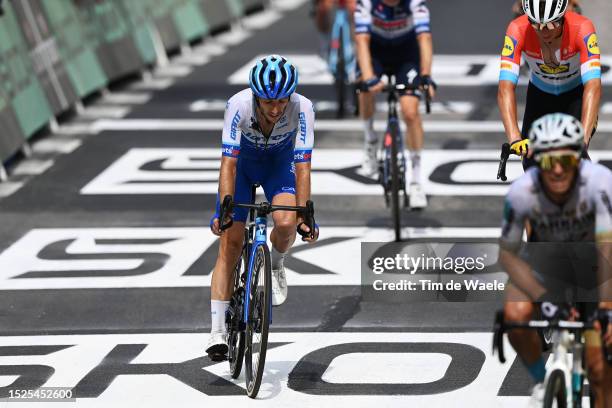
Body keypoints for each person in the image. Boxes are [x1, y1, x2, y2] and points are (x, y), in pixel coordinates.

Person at [206, 55, 320, 361]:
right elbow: (228, 162)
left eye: (282, 101)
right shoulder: (238, 105)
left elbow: (303, 165)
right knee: (229, 244)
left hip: (277, 167)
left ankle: (276, 263)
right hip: (242, 169)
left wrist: (305, 214)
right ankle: (217, 331)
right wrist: (226, 208)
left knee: (286, 223)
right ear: (255, 97)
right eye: (268, 102)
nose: (275, 109)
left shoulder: (304, 108)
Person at [499, 113, 612, 406]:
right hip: (547, 263)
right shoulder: (522, 192)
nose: (558, 171)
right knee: (514, 315)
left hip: (596, 265)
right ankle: (540, 381)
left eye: (567, 162)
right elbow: (508, 256)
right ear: (536, 163)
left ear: (580, 159)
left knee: (600, 371)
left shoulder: (599, 183)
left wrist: (605, 309)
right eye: (549, 162)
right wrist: (545, 297)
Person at [498, 0, 601, 169]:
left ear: (562, 16)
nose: (543, 31)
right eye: (536, 24)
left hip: (575, 95)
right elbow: (505, 88)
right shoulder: (517, 29)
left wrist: (582, 139)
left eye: (550, 24)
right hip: (540, 95)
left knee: (576, 162)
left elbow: (593, 86)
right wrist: (514, 137)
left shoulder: (582, 27)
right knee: (531, 164)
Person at [354, 0, 436, 209]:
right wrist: (370, 78)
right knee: (364, 87)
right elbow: (362, 41)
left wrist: (426, 76)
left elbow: (424, 38)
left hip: (406, 55)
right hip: (375, 51)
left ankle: (416, 181)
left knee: (410, 112)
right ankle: (370, 140)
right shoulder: (366, 3)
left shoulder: (415, 3)